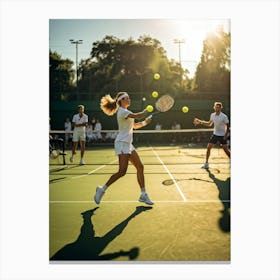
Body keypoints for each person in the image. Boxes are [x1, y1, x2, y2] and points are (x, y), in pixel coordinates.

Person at [94, 91, 154, 205]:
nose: (129, 99)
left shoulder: (127, 112)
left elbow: (135, 126)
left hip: (128, 144)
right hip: (121, 143)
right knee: (122, 171)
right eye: (127, 98)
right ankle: (101, 190)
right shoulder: (122, 111)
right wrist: (147, 110)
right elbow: (138, 116)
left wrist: (145, 122)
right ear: (121, 100)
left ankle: (143, 194)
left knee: (140, 167)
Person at [193, 101, 230, 169]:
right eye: (216, 107)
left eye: (218, 107)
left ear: (220, 108)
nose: (217, 109)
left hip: (222, 135)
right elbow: (209, 124)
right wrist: (200, 122)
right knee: (208, 148)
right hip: (215, 134)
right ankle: (206, 164)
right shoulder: (212, 115)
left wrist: (225, 135)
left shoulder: (224, 116)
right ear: (214, 108)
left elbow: (228, 127)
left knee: (225, 150)